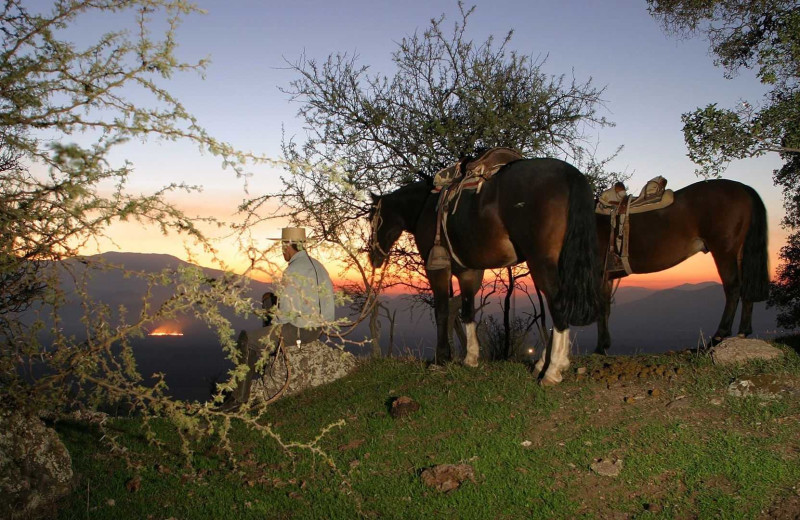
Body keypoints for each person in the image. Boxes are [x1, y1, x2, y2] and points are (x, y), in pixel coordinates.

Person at [217, 227, 335, 411]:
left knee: (247, 339)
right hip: (317, 327)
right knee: (269, 300)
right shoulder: (318, 266)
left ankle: (239, 399)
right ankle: (262, 361)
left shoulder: (293, 270)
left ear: (288, 245)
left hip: (299, 329)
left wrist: (275, 328)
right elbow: (328, 301)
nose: (282, 251)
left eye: (282, 246)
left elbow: (286, 313)